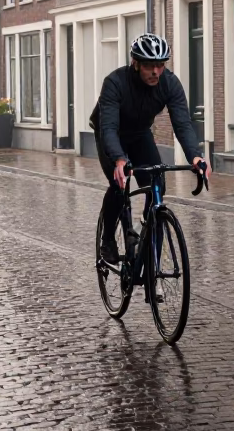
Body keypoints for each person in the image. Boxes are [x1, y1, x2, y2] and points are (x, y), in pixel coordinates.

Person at [90, 33, 211, 264]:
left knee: (157, 182)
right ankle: (108, 239)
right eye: (149, 66)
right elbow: (109, 128)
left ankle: (147, 229)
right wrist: (118, 159)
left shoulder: (170, 84)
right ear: (135, 64)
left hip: (140, 134)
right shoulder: (114, 83)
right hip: (111, 133)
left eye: (160, 65)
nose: (155, 72)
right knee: (118, 184)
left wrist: (196, 157)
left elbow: (183, 124)